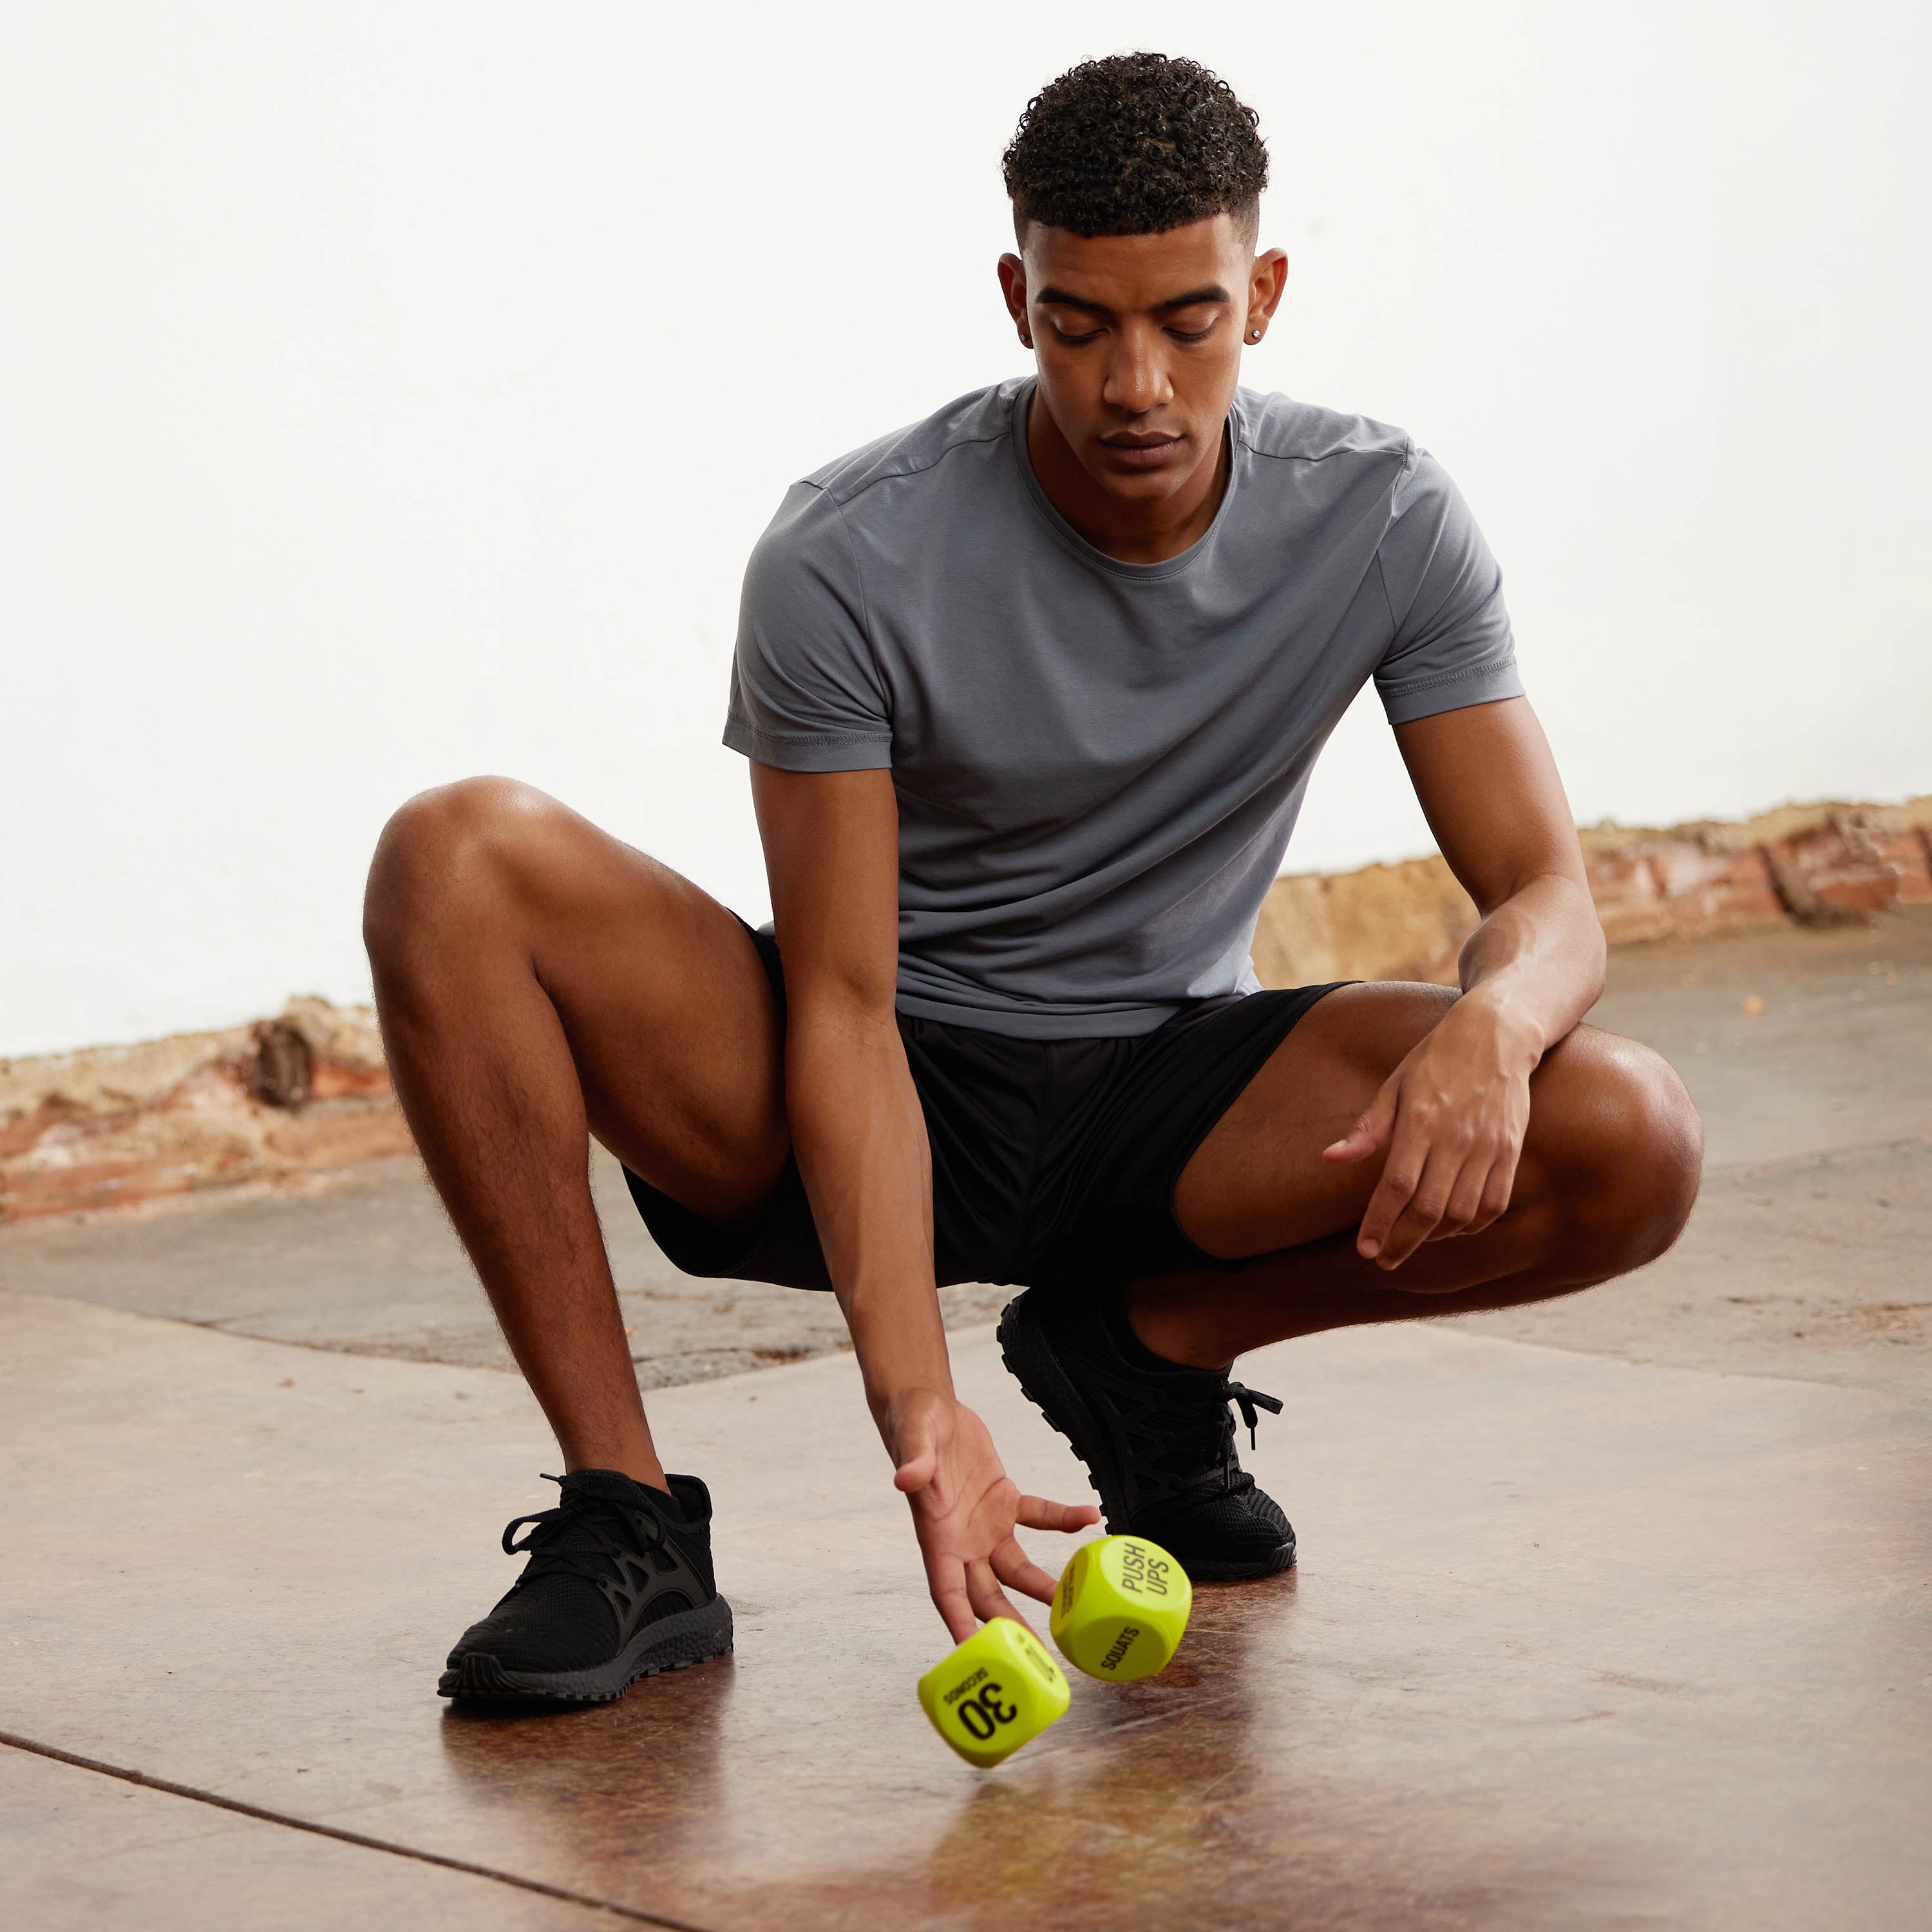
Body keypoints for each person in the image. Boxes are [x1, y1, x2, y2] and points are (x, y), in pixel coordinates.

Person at [364, 52, 1703, 1705]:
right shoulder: (847, 555)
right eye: (1082, 324)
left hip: (1170, 1098)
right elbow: (846, 1007)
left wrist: (1495, 1028)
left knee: (1628, 1134)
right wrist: (920, 1410)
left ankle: (1148, 1352)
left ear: (1263, 295)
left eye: (1186, 322)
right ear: (1017, 296)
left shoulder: (1382, 514)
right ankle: (627, 1519)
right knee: (455, 853)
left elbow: (1549, 893)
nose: (1136, 381)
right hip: (871, 1075)